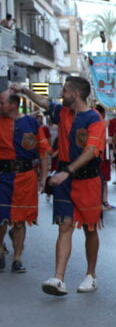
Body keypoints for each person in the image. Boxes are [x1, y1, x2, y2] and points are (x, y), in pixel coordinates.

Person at [13, 77, 106, 296]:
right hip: (65, 181)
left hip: (87, 180)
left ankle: (90, 275)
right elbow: (44, 103)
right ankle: (58, 278)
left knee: (90, 229)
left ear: (75, 93)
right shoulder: (63, 112)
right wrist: (25, 90)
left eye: (65, 90)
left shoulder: (94, 119)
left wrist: (67, 171)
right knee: (64, 226)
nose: (61, 94)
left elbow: (92, 150)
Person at [0, 90, 49, 273]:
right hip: (2, 176)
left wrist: (43, 178)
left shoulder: (31, 123)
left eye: (1, 102)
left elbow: (43, 153)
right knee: (1, 218)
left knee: (20, 221)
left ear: (13, 104)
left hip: (25, 177)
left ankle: (17, 258)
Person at [94, 105, 116, 211]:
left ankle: (104, 200)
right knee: (97, 180)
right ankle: (97, 201)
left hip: (105, 157)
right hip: (96, 157)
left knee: (105, 180)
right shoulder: (94, 123)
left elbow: (113, 138)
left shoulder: (108, 125)